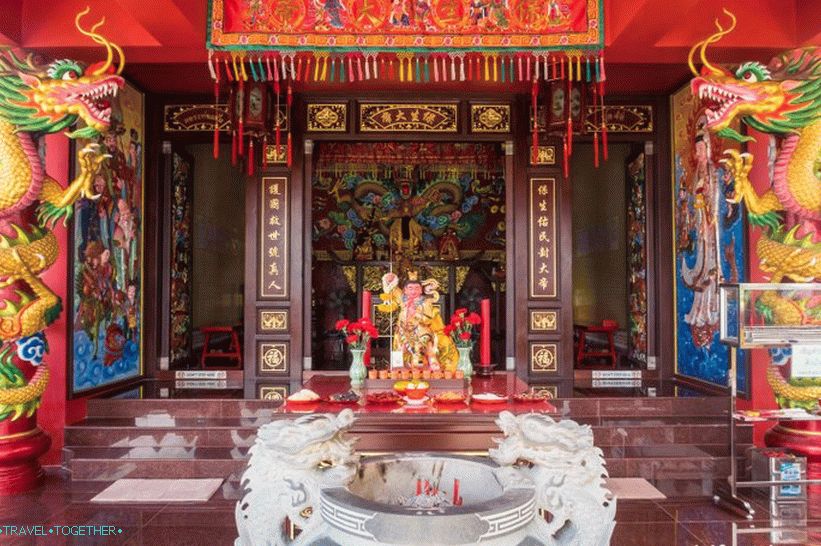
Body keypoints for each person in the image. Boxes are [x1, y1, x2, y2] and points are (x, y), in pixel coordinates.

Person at [377, 271, 457, 371]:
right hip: (404, 330)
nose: (413, 291)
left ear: (421, 290)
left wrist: (417, 317)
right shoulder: (403, 299)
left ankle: (432, 360)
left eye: (416, 288)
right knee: (400, 346)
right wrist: (390, 279)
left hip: (422, 329)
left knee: (426, 342)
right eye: (410, 288)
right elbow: (393, 289)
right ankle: (397, 365)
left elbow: (428, 318)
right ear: (405, 290)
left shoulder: (426, 302)